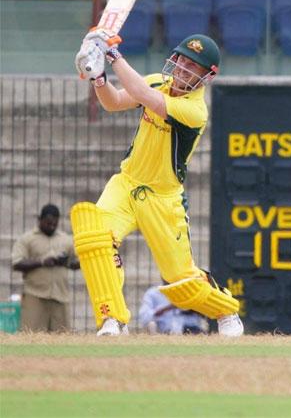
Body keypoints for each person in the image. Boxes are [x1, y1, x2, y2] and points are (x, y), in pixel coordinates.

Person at [71, 29, 243, 337]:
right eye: (182, 61)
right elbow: (114, 102)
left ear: (208, 77)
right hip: (126, 183)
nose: (183, 69)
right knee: (94, 236)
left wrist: (111, 55)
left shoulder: (194, 111)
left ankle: (226, 311)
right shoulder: (156, 81)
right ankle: (112, 319)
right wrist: (97, 77)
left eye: (194, 67)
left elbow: (144, 97)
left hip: (163, 198)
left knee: (179, 282)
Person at [11, 204, 80, 332]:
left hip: (60, 297)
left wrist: (66, 262)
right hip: (35, 297)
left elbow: (80, 263)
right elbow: (17, 263)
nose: (51, 226)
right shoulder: (27, 239)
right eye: (48, 223)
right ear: (40, 219)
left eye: (54, 224)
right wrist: (42, 262)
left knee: (62, 340)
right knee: (30, 337)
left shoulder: (66, 240)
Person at [139, 281, 207, 335]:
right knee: (152, 325)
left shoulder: (189, 290)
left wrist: (191, 306)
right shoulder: (153, 293)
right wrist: (167, 308)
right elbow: (144, 317)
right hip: (165, 331)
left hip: (190, 329)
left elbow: (206, 315)